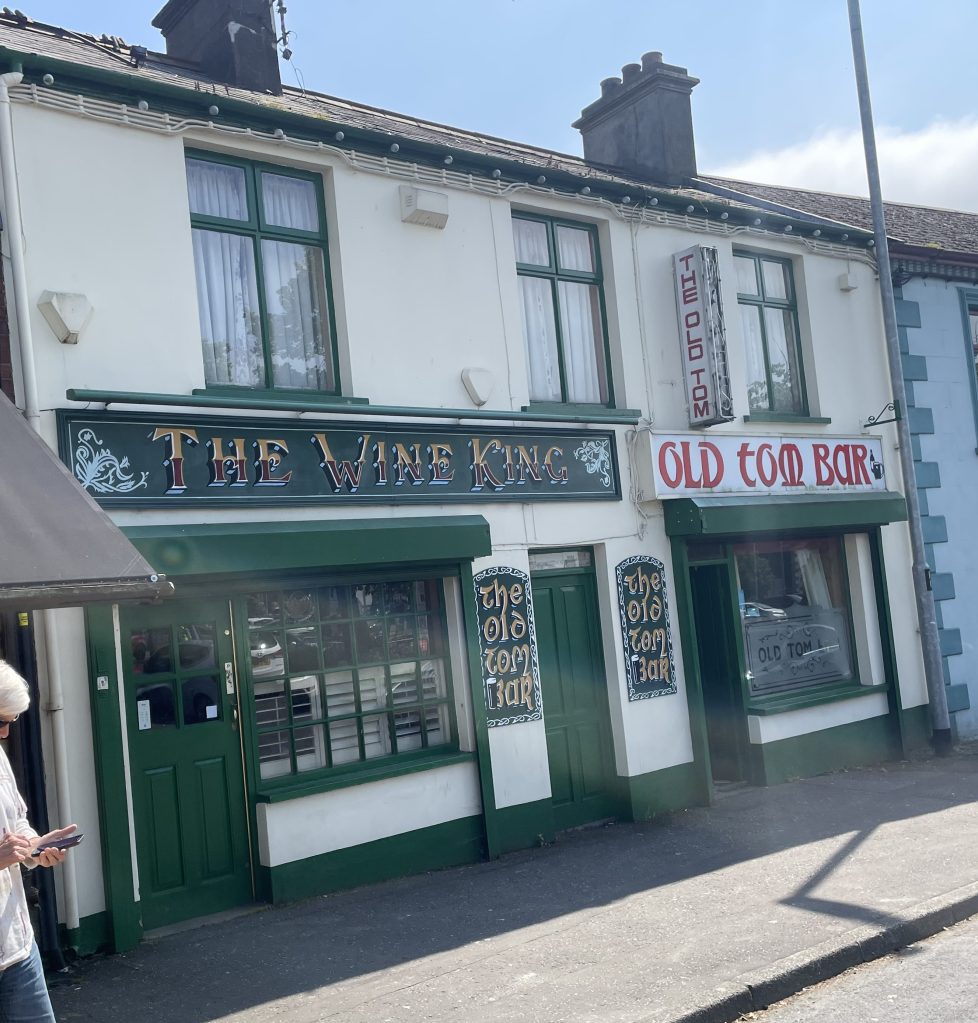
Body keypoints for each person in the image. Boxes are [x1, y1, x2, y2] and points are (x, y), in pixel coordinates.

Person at [0, 661, 77, 1023]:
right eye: (0, 720)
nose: (4, 733)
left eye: (11, 723)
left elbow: (16, 819)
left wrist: (35, 847)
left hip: (16, 946)